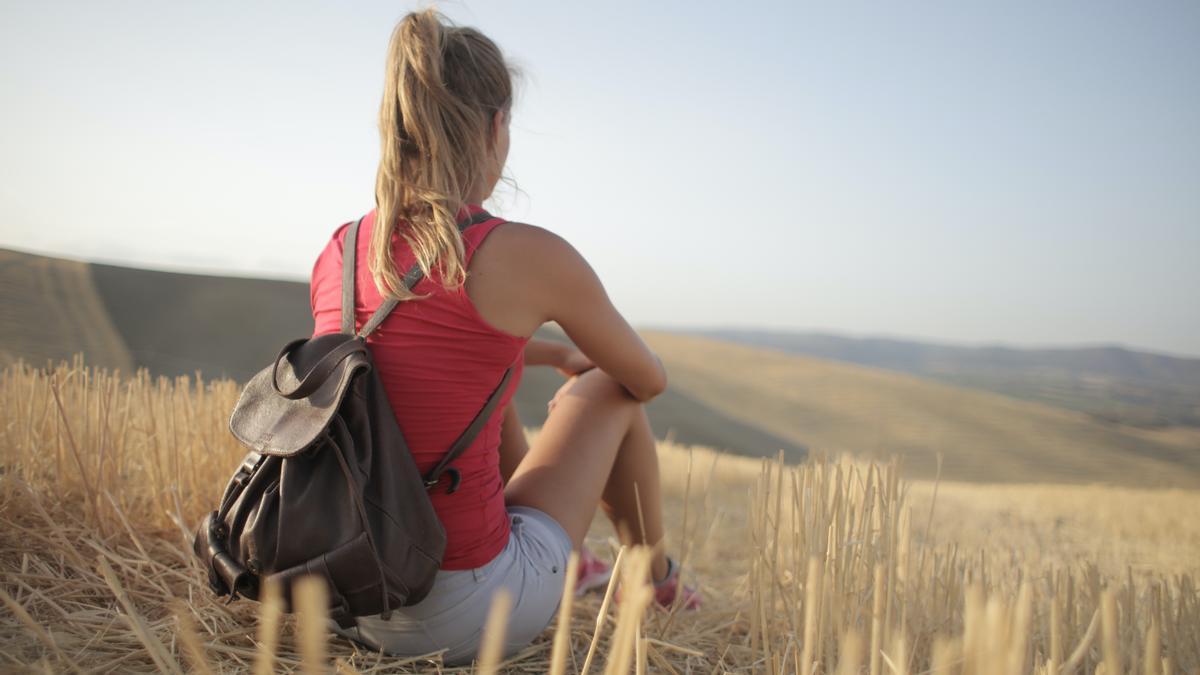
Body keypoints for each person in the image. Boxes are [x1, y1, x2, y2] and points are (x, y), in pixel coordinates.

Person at [308, 9, 698, 666]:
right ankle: (654, 582)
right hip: (462, 614)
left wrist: (541, 351)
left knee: (489, 383)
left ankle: (574, 564)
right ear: (496, 128)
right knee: (608, 388)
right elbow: (646, 380)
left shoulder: (342, 253)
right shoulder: (522, 253)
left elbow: (423, 362)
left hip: (344, 597)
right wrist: (590, 361)